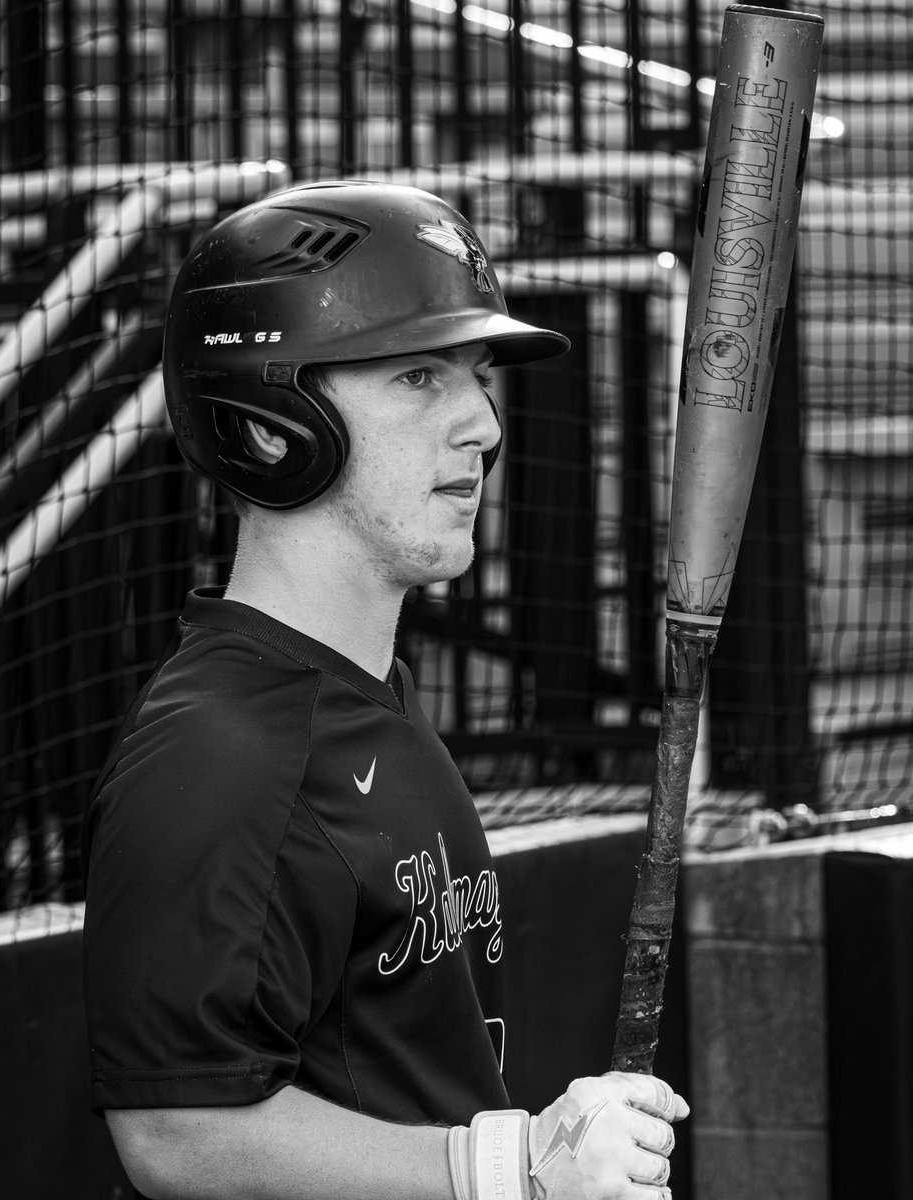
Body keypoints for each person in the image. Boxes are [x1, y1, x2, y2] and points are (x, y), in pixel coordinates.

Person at [82, 180, 688, 1200]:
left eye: (477, 375)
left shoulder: (367, 698)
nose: (484, 427)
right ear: (270, 425)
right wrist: (507, 1168)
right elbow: (175, 1128)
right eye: (417, 378)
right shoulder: (220, 756)